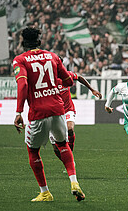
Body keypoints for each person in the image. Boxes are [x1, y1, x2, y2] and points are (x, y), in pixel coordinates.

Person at [13, 27, 85, 202]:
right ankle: (74, 182)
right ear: (39, 41)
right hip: (58, 110)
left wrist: (18, 112)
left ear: (23, 42)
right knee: (63, 145)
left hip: (38, 112)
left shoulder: (20, 60)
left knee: (33, 151)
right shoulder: (53, 56)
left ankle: (45, 192)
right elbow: (68, 80)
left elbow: (22, 86)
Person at [50, 71, 102, 169]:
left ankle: (70, 154)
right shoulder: (47, 80)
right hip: (54, 114)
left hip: (68, 110)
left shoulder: (66, 74)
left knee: (70, 129)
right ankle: (69, 161)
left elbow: (79, 78)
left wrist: (92, 89)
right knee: (56, 148)